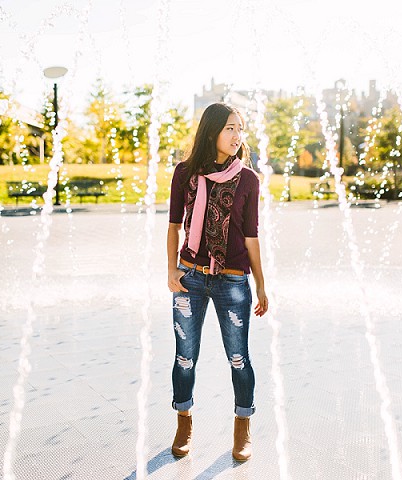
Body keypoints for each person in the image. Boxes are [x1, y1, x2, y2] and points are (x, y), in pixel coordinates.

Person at [167, 102, 268, 462]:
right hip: (190, 277)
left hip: (232, 280)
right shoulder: (185, 173)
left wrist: (261, 284)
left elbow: (252, 236)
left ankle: (243, 428)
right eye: (230, 128)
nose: (237, 135)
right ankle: (184, 421)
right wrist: (171, 270)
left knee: (239, 358)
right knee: (184, 358)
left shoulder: (249, 179)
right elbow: (174, 225)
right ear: (211, 131)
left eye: (240, 128)